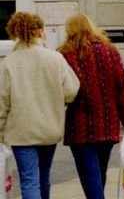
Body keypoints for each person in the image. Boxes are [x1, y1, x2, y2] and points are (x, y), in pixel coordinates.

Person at [0, 12, 80, 199]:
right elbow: (71, 91)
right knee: (43, 176)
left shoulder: (9, 63)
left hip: (21, 131)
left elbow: (2, 101)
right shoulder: (55, 58)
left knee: (29, 180)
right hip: (48, 128)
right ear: (40, 32)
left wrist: (1, 131)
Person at [58, 13, 124, 199]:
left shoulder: (65, 55)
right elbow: (122, 88)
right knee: (99, 173)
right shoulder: (110, 51)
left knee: (89, 175)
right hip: (107, 124)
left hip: (80, 126)